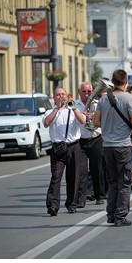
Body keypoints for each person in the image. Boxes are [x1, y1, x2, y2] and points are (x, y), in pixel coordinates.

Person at [94, 69, 132, 227]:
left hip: (107, 145)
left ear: (112, 82)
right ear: (125, 81)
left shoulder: (103, 99)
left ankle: (111, 215)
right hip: (123, 145)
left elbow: (96, 122)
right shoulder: (128, 98)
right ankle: (120, 216)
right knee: (125, 182)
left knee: (113, 181)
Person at [43, 87, 86, 216]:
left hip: (73, 147)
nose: (61, 96)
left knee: (73, 177)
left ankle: (71, 204)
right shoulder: (50, 111)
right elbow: (46, 123)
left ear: (67, 96)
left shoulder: (73, 110)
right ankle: (52, 205)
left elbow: (83, 121)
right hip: (58, 148)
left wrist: (73, 108)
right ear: (54, 97)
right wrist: (57, 108)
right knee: (56, 177)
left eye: (63, 94)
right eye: (58, 95)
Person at [75, 82, 105, 208]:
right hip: (81, 140)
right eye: (84, 92)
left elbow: (105, 120)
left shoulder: (98, 104)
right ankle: (81, 198)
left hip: (96, 138)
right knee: (81, 171)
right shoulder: (74, 105)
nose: (87, 94)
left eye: (89, 91)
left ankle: (99, 195)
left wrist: (94, 117)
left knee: (97, 168)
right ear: (79, 92)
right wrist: (82, 117)